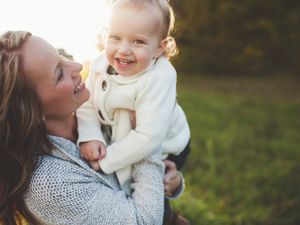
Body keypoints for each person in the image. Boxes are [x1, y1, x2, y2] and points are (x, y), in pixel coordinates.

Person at [0, 31, 184, 225]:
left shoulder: (96, 109)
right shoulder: (48, 185)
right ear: (32, 110)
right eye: (59, 74)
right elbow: (144, 221)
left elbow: (145, 172)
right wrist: (148, 135)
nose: (77, 66)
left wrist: (171, 182)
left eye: (61, 57)